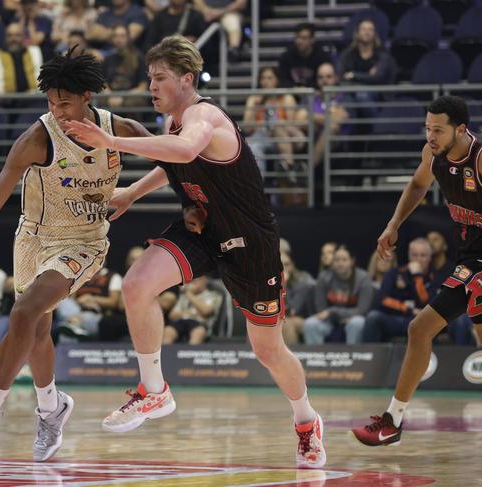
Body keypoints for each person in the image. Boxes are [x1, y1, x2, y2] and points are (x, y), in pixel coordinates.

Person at [65, 35, 326, 468]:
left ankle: (307, 421)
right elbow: (174, 160)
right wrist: (131, 192)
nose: (152, 86)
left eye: (161, 78)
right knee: (136, 284)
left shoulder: (204, 114)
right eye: (149, 78)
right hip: (203, 228)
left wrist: (111, 143)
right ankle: (154, 390)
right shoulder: (173, 123)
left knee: (267, 350)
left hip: (249, 240)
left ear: (187, 79)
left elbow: (186, 149)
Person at [0, 48, 149, 461]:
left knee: (23, 312)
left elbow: (178, 160)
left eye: (65, 102)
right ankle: (52, 407)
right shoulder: (37, 139)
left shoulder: (118, 129)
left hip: (84, 243)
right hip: (33, 238)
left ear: (87, 96)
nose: (56, 110)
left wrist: (183, 200)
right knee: (36, 330)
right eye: (50, 101)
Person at [351, 95, 482, 446]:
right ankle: (392, 421)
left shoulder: (480, 159)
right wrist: (393, 224)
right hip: (470, 261)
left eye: (438, 130)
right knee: (419, 329)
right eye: (427, 128)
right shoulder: (432, 155)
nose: (431, 136)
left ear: (461, 129)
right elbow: (418, 185)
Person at [362, 238, 437, 343]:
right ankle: (368, 356)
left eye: (422, 255)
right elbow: (383, 299)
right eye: (414, 255)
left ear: (429, 258)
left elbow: (425, 302)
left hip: (420, 321)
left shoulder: (434, 277)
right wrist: (408, 309)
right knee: (373, 317)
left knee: (433, 323)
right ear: (409, 256)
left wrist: (417, 277)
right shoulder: (395, 273)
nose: (418, 259)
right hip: (396, 318)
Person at [303, 244, 374, 345]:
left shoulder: (363, 278)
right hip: (329, 321)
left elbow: (362, 310)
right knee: (310, 324)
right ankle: (316, 359)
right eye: (337, 260)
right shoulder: (324, 277)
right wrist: (334, 315)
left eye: (344, 260)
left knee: (358, 323)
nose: (340, 263)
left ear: (352, 261)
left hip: (352, 319)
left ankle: (354, 358)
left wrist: (333, 311)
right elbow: (321, 310)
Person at [164, 275, 223, 344]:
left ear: (205, 280)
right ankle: (165, 354)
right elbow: (172, 315)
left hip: (200, 324)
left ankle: (190, 354)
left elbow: (206, 311)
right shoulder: (183, 296)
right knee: (168, 331)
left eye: (198, 279)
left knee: (198, 333)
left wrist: (190, 294)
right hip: (180, 322)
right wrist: (190, 312)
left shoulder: (213, 295)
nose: (195, 281)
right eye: (193, 279)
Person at [277, 22, 332, 88]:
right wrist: (295, 88)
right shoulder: (286, 56)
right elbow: (282, 80)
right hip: (292, 94)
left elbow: (325, 81)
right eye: (297, 37)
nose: (299, 41)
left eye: (304, 38)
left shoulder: (322, 57)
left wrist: (307, 89)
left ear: (312, 40)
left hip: (315, 94)